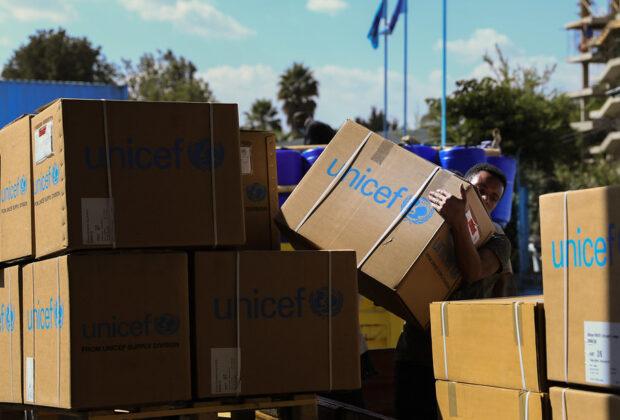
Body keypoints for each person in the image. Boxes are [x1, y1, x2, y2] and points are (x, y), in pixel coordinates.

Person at [394, 163, 513, 419]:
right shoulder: (429, 220)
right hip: (416, 352)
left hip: (464, 358)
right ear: (464, 187)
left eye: (494, 197)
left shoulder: (498, 240)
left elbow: (474, 272)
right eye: (481, 190)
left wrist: (459, 222)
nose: (486, 200)